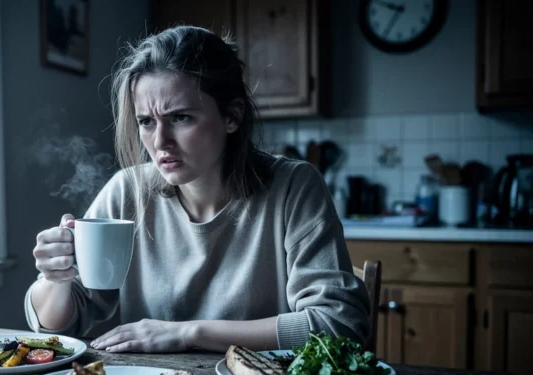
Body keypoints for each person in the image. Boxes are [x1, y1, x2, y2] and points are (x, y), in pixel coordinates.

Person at [27, 26, 370, 354]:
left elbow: (339, 326)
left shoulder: (294, 188)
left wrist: (187, 333)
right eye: (146, 121)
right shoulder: (126, 191)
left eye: (180, 118)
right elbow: (56, 330)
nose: (160, 142)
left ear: (232, 117)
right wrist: (55, 279)